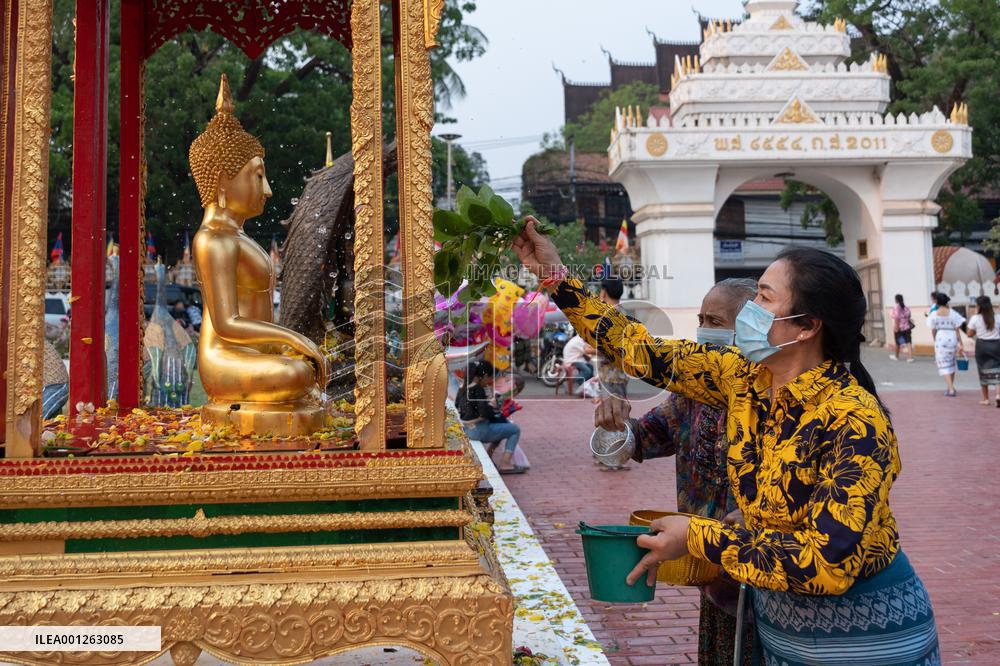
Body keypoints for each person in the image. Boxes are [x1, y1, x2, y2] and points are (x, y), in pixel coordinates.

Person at [514, 217, 940, 665]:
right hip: (783, 633)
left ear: (806, 327)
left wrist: (701, 537)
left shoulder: (854, 420)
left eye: (764, 297)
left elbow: (825, 563)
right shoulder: (741, 378)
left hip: (867, 638)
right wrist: (554, 276)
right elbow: (636, 348)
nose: (750, 310)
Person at [595, 277, 757, 666]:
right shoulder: (691, 394)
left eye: (713, 321)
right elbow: (643, 438)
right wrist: (614, 429)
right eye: (700, 318)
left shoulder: (769, 394)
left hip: (766, 575)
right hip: (710, 571)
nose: (702, 330)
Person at [456, 360, 526, 475]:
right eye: (489, 378)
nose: (490, 381)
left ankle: (489, 456)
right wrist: (491, 405)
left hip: (467, 429)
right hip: (479, 431)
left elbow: (457, 405)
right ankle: (505, 464)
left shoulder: (463, 388)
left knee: (501, 427)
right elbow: (485, 413)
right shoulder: (478, 390)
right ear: (483, 376)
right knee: (514, 429)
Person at [596, 276, 631, 398]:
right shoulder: (624, 313)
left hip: (610, 376)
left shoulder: (608, 316)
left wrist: (589, 349)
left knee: (611, 414)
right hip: (621, 374)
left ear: (604, 292)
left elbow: (607, 347)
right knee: (619, 413)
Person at [926, 293, 966, 397]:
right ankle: (950, 387)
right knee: (951, 363)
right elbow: (958, 329)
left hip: (941, 338)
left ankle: (951, 389)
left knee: (943, 363)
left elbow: (933, 329)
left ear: (937, 302)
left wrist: (935, 340)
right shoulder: (952, 313)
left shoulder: (934, 314)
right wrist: (961, 343)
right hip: (952, 337)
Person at [967, 295, 1000, 407]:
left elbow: (969, 334)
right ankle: (998, 395)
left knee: (982, 369)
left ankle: (986, 399)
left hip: (982, 346)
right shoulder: (998, 317)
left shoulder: (975, 318)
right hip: (996, 345)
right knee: (997, 370)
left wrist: (979, 330)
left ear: (979, 306)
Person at [890, 294, 915, 362]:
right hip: (907, 327)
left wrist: (896, 328)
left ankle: (896, 356)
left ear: (896, 300)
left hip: (899, 328)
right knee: (908, 342)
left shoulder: (896, 308)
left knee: (898, 342)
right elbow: (909, 316)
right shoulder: (906, 308)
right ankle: (910, 357)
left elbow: (896, 319)